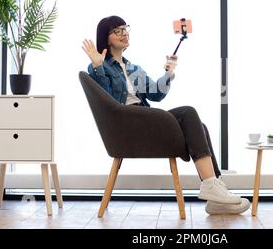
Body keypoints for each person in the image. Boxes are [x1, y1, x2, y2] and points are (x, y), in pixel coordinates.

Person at [82, 15, 250, 215]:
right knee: (188, 112)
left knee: (200, 126)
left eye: (125, 28)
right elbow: (107, 102)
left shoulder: (134, 69)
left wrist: (168, 73)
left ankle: (216, 191)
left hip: (146, 119)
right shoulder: (99, 67)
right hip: (127, 126)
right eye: (117, 30)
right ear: (105, 37)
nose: (124, 33)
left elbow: (156, 94)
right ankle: (212, 186)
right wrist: (98, 67)